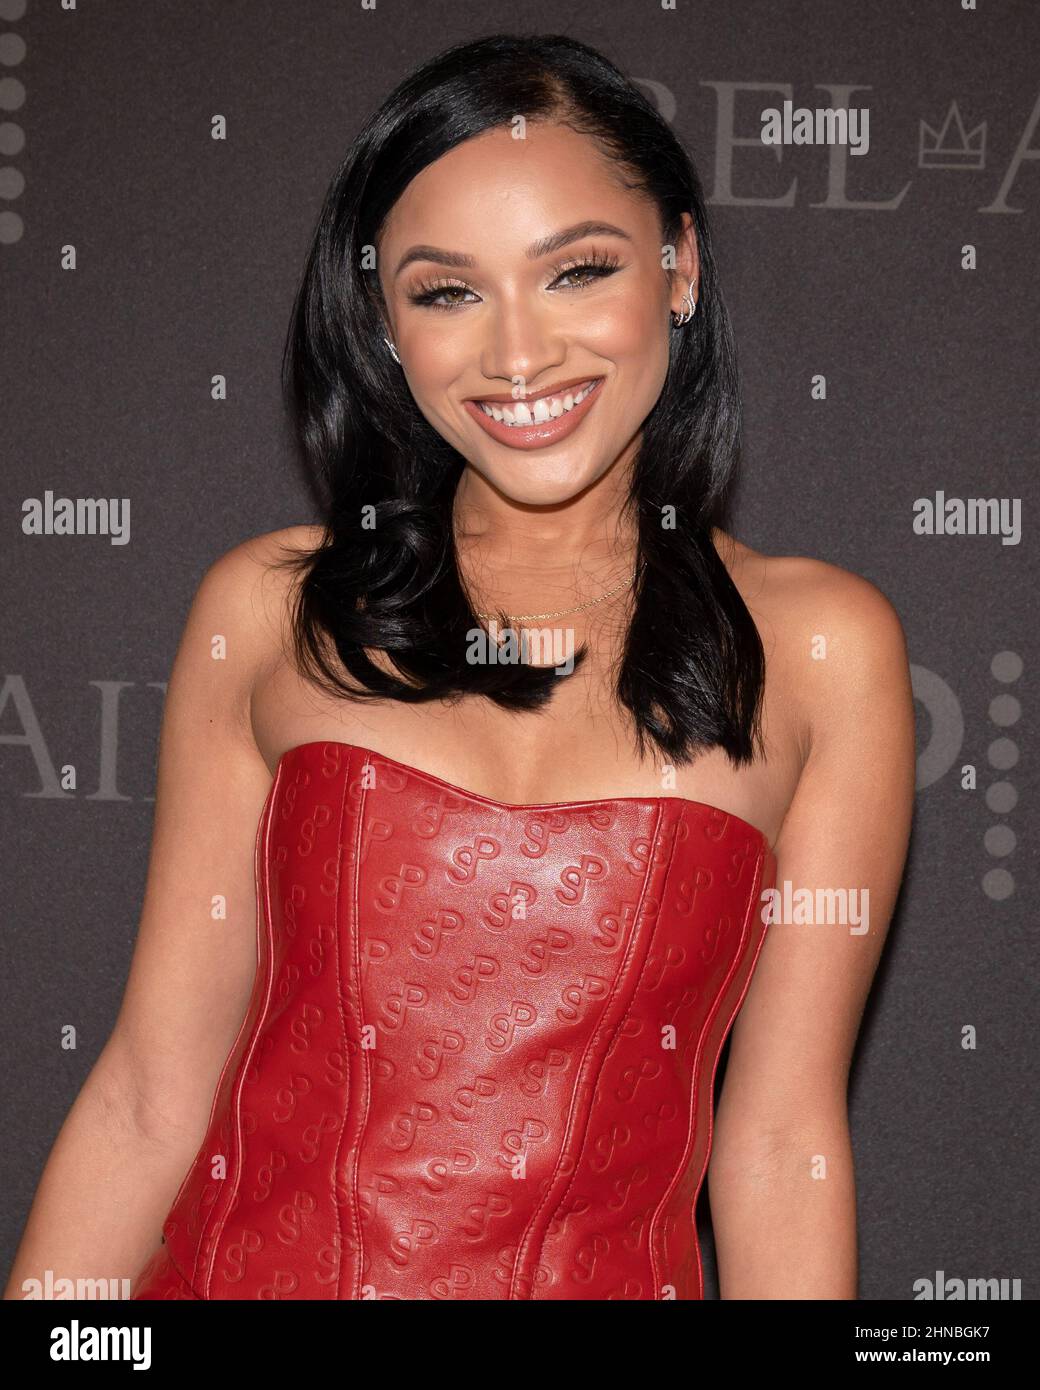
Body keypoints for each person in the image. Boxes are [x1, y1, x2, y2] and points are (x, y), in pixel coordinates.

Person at [5, 33, 914, 1302]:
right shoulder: (270, 611)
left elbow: (777, 1146)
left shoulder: (821, 650)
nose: (518, 355)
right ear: (383, 323)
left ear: (680, 268)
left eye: (577, 271)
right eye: (446, 292)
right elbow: (151, 1095)